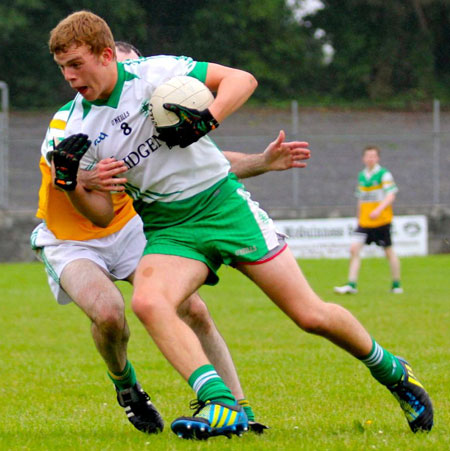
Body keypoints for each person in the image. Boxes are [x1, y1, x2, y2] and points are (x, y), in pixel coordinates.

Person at [48, 11, 433, 440]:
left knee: (310, 315)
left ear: (105, 55)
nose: (69, 76)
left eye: (76, 64)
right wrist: (70, 185)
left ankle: (396, 373)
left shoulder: (154, 72)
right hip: (168, 227)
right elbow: (101, 214)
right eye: (62, 68)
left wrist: (207, 118)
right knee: (150, 302)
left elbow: (241, 79)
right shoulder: (77, 125)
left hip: (224, 207)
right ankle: (221, 403)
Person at [32, 40, 310, 435]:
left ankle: (237, 408)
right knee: (110, 315)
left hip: (129, 227)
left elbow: (198, 162)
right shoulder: (70, 123)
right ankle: (126, 386)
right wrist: (78, 179)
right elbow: (65, 169)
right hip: (71, 238)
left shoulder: (145, 101)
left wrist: (262, 162)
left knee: (193, 309)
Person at [334, 146, 403, 295]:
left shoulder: (384, 174)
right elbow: (361, 198)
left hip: (381, 221)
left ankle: (396, 284)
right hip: (365, 222)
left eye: (373, 156)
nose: (370, 158)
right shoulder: (362, 175)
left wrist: (378, 210)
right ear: (363, 158)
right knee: (354, 249)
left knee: (388, 252)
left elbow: (391, 196)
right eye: (368, 156)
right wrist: (358, 217)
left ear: (377, 158)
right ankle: (352, 284)